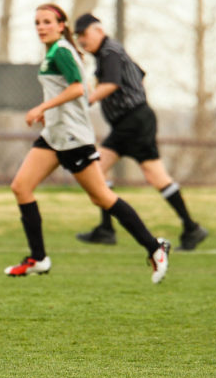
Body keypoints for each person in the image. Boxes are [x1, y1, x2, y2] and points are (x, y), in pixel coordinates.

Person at [3, 4, 170, 284]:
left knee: (102, 197)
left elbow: (78, 88)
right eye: (37, 23)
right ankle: (38, 258)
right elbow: (67, 90)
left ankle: (155, 247)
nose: (41, 27)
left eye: (47, 22)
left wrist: (42, 107)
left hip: (72, 138)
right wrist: (49, 112)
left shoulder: (63, 51)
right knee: (21, 187)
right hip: (54, 134)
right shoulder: (52, 52)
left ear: (61, 25)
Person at [73, 13, 208, 250]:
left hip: (133, 121)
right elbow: (138, 74)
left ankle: (108, 229)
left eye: (85, 34)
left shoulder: (109, 52)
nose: (82, 41)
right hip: (135, 120)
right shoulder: (111, 54)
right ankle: (190, 228)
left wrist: (86, 101)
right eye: (79, 37)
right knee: (151, 175)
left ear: (99, 31)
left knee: (99, 169)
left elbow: (112, 83)